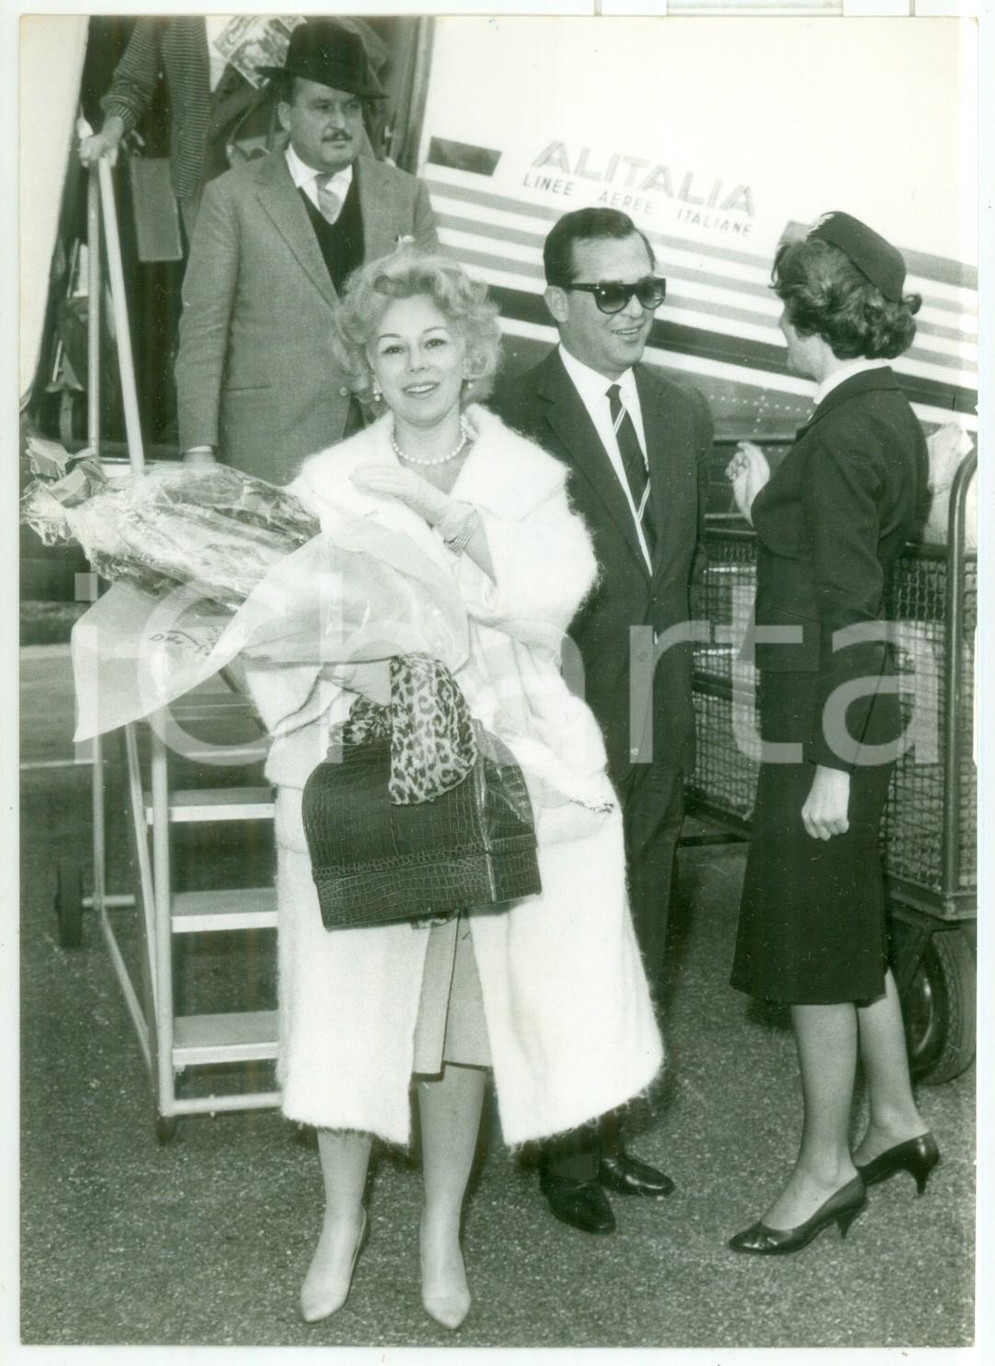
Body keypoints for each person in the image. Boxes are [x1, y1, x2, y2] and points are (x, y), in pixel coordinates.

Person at [244, 248, 663, 1327]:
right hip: (358, 766)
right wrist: (343, 666)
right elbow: (268, 631)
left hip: (490, 765)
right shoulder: (323, 485)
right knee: (349, 1007)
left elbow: (555, 601)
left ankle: (440, 1233)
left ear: (471, 354)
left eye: (436, 342)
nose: (416, 364)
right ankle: (341, 1222)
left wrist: (469, 543)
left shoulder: (523, 477)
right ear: (363, 369)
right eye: (391, 348)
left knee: (467, 1012)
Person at [492, 207, 713, 1235]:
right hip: (560, 714)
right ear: (556, 302)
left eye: (647, 289)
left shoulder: (682, 412)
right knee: (566, 928)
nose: (635, 310)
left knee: (642, 918)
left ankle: (609, 1125)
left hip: (657, 709)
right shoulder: (508, 414)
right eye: (609, 293)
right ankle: (564, 1154)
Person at [725, 212, 935, 1256]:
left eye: (783, 300)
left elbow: (849, 601)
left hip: (825, 715)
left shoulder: (847, 428)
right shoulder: (884, 412)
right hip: (839, 705)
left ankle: (823, 1169)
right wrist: (776, 501)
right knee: (851, 922)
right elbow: (840, 552)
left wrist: (830, 772)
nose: (777, 316)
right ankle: (894, 1115)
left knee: (814, 948)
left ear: (809, 315)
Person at [174, 20, 438, 484]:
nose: (340, 124)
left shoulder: (405, 196)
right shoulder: (232, 198)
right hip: (270, 449)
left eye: (351, 108)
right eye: (322, 107)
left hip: (383, 450)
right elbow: (203, 331)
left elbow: (437, 325)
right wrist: (199, 452)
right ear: (285, 115)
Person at [77, 15, 272, 237]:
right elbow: (132, 83)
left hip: (269, 168)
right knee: (210, 268)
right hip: (196, 172)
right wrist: (110, 134)